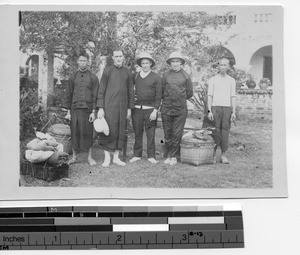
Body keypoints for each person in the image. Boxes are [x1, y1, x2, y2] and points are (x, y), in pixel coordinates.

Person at [96, 49, 135, 167]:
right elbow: (101, 90)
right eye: (116, 56)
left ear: (123, 58)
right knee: (107, 131)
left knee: (120, 131)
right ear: (113, 58)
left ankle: (116, 158)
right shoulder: (107, 71)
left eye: (120, 56)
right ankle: (107, 158)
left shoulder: (127, 72)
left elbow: (130, 92)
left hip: (122, 107)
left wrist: (129, 108)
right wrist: (100, 107)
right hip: (109, 107)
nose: (118, 58)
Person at [62, 52, 100, 166]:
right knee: (75, 132)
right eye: (81, 60)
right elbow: (68, 94)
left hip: (88, 111)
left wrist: (94, 112)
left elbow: (95, 95)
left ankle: (89, 157)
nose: (83, 62)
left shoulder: (93, 77)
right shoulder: (73, 77)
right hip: (75, 110)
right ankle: (74, 157)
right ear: (77, 62)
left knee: (88, 133)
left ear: (88, 62)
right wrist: (68, 112)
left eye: (85, 60)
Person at [161, 52, 193, 166]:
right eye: (173, 62)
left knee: (177, 134)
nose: (175, 64)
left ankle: (174, 156)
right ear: (170, 63)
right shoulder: (165, 75)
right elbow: (161, 90)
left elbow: (189, 93)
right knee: (167, 133)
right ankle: (168, 155)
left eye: (177, 61)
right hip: (166, 109)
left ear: (181, 63)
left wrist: (179, 98)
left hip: (180, 110)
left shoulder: (186, 76)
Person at [129, 53, 162, 164]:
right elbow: (130, 90)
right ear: (140, 64)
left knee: (150, 133)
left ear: (151, 64)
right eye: (143, 63)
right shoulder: (135, 76)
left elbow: (159, 96)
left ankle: (151, 155)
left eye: (147, 63)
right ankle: (137, 154)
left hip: (150, 110)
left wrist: (155, 110)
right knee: (137, 132)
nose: (145, 65)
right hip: (137, 109)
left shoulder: (156, 77)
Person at [207, 58, 236, 164]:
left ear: (228, 67)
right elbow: (209, 96)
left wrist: (234, 112)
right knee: (215, 131)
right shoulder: (213, 79)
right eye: (221, 65)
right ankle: (213, 155)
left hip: (227, 108)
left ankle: (223, 155)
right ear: (218, 66)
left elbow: (233, 96)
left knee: (225, 131)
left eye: (225, 65)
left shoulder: (231, 80)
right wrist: (209, 110)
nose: (223, 67)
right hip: (215, 107)